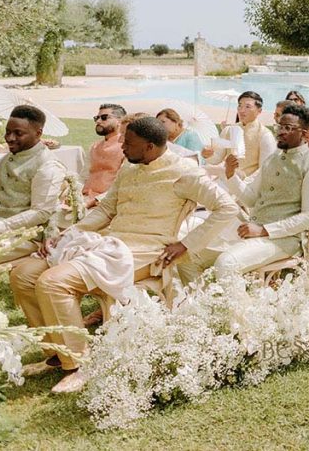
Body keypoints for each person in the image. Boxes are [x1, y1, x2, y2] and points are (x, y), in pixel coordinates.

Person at [12, 117, 238, 392]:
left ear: (151, 147)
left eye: (129, 144)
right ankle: (57, 354)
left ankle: (80, 365)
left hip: (146, 253)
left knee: (53, 282)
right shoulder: (130, 168)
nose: (122, 149)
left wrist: (185, 245)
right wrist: (69, 234)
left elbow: (227, 208)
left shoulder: (185, 172)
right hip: (108, 244)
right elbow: (106, 210)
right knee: (23, 275)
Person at [180, 105, 309, 281]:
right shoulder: (273, 159)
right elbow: (251, 199)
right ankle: (202, 306)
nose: (280, 132)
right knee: (187, 258)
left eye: (288, 128)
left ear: (304, 134)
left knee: (226, 263)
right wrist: (231, 175)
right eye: (280, 126)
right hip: (251, 229)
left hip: (284, 240)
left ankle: (237, 309)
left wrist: (264, 230)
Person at [0, 106, 67, 263]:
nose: (9, 138)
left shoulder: (48, 165)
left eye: (18, 133)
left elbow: (41, 212)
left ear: (38, 133)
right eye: (8, 131)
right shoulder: (5, 159)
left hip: (24, 235)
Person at [203, 91, 276, 178]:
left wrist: (243, 185)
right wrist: (207, 154)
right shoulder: (228, 130)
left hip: (249, 186)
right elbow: (217, 158)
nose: (241, 110)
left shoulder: (265, 135)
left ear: (259, 111)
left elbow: (264, 170)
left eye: (247, 107)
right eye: (239, 105)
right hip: (226, 181)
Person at [83, 104, 126, 207]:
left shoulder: (126, 148)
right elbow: (83, 175)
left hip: (106, 203)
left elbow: (121, 185)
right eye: (97, 118)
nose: (98, 121)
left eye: (104, 117)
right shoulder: (94, 146)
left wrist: (93, 201)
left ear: (120, 120)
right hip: (84, 197)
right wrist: (73, 194)